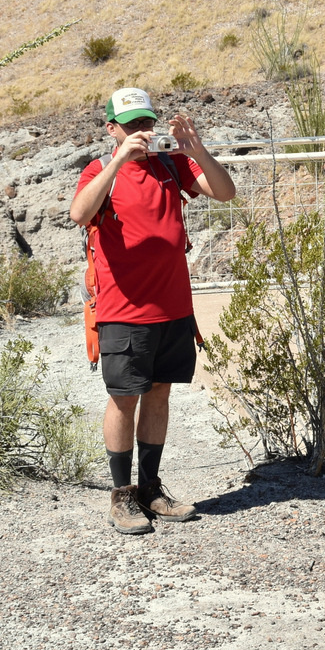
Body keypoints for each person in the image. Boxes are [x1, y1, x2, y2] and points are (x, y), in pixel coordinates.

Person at [70, 87, 236, 536]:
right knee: (124, 399)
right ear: (112, 130)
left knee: (159, 393)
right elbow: (79, 213)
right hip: (123, 311)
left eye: (147, 123)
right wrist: (120, 160)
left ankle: (150, 488)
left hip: (173, 308)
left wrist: (196, 148)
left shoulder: (171, 164)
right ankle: (121, 496)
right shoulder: (100, 170)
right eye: (131, 126)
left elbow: (225, 192)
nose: (142, 132)